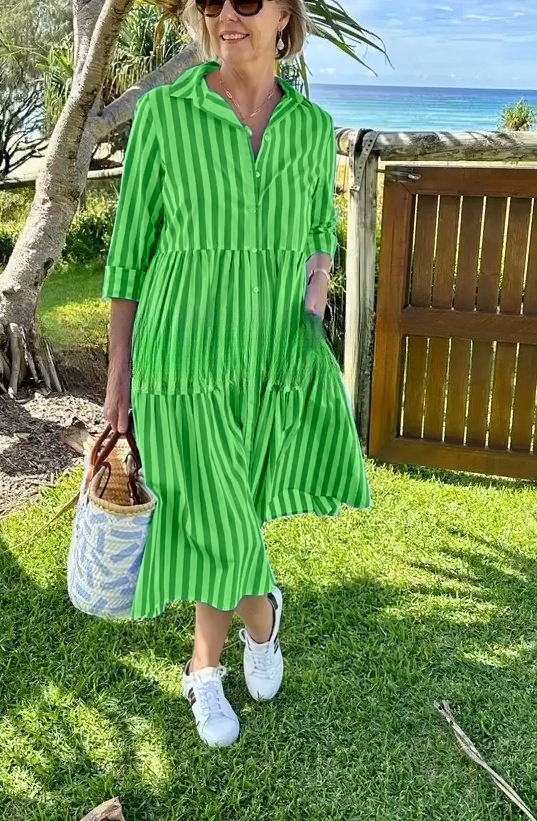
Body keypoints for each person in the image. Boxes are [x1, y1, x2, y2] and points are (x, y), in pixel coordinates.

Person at [102, 0, 371, 748]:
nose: (226, 13)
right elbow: (129, 252)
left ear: (284, 14)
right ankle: (246, 629)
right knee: (212, 510)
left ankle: (218, 651)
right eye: (210, 0)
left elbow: (317, 230)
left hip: (270, 360)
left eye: (247, 0)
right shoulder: (166, 116)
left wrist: (316, 290)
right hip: (179, 359)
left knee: (231, 511)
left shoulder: (312, 129)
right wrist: (119, 375)